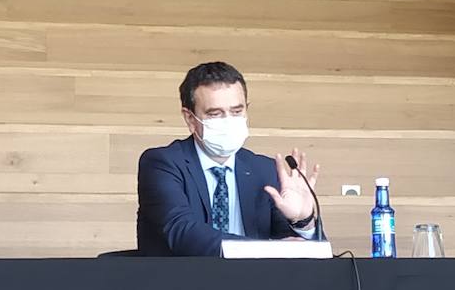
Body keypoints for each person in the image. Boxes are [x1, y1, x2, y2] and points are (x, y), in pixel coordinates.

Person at [136, 62, 322, 257]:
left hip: (255, 285)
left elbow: (296, 250)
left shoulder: (264, 169)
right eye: (215, 114)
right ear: (190, 119)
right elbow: (183, 232)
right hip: (183, 284)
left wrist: (303, 221)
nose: (228, 121)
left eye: (236, 112)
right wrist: (263, 248)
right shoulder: (161, 163)